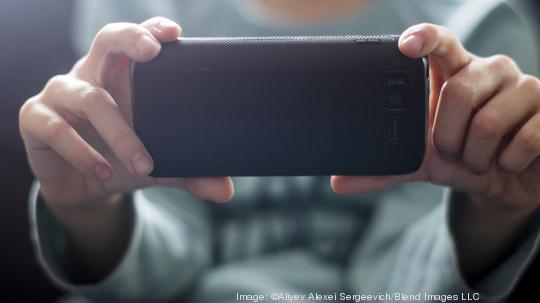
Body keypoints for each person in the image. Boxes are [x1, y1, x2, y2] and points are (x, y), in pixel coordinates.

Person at [19, 0, 540, 302]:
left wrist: (493, 215)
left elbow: (402, 283)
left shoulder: (476, 28)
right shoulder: (144, 14)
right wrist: (89, 210)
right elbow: (164, 268)